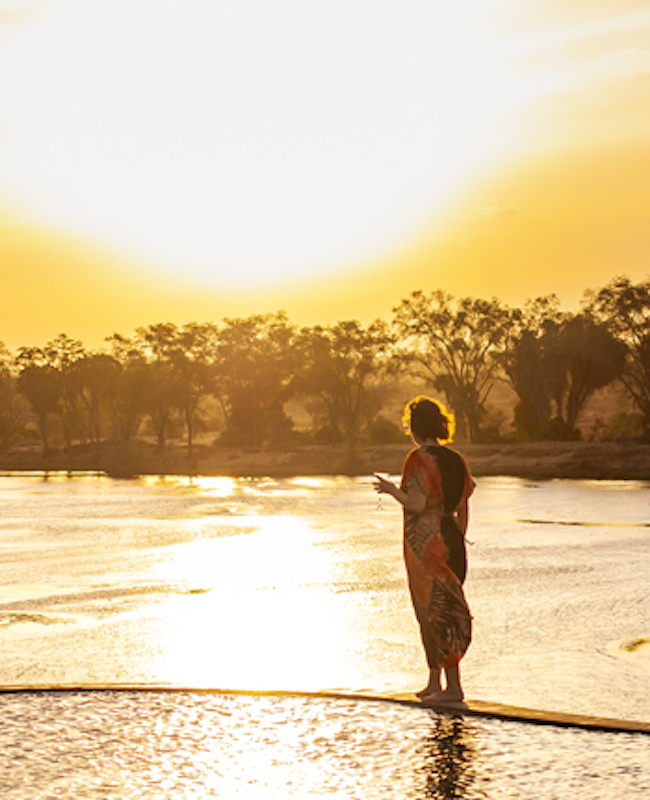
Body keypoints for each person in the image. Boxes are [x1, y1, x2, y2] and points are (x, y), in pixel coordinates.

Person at [373, 396, 474, 703]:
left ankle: (452, 688)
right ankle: (435, 682)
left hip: (427, 546)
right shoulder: (457, 459)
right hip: (451, 539)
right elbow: (463, 505)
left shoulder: (418, 459)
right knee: (443, 608)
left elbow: (416, 503)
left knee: (435, 611)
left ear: (415, 428)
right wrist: (456, 537)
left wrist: (391, 490)